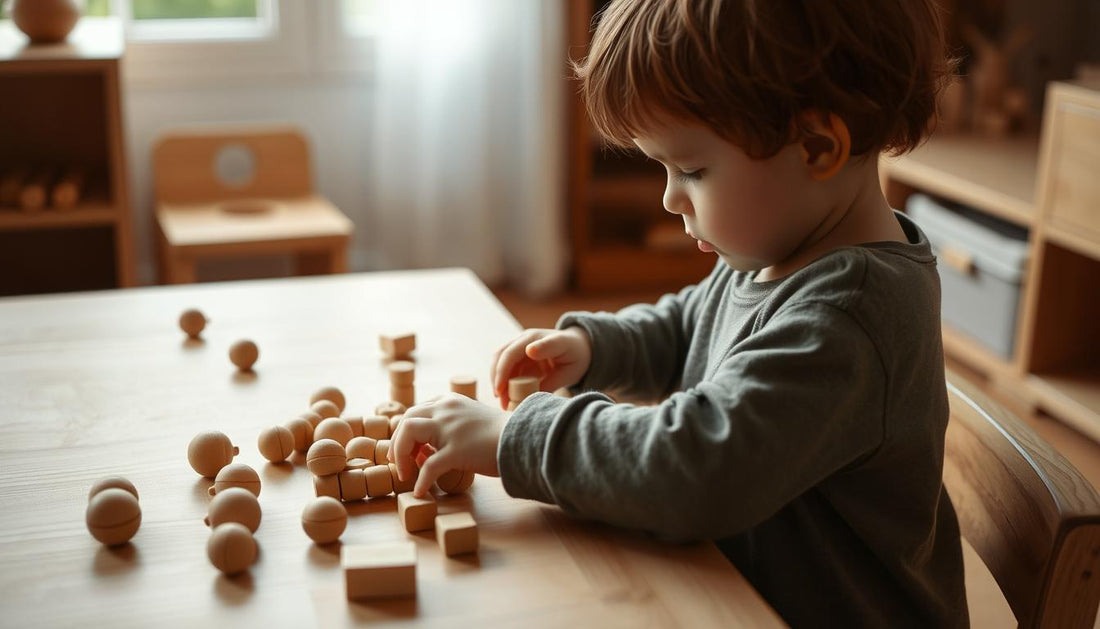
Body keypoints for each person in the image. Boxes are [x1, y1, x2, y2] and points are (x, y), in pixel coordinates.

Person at [391, 0, 968, 625]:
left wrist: (514, 437)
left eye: (691, 170)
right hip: (734, 589)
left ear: (816, 145)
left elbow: (696, 466)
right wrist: (600, 347)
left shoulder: (849, 317)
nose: (670, 197)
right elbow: (694, 323)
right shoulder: (783, 248)